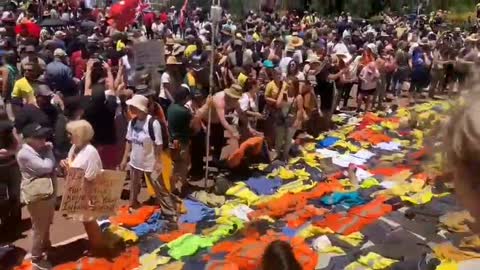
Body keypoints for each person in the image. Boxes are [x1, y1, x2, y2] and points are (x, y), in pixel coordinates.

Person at [60, 120, 105, 254]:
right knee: (86, 221)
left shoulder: (90, 152)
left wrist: (69, 170)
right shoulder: (75, 147)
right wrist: (66, 165)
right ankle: (95, 245)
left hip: (88, 193)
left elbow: (90, 176)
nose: (68, 136)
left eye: (70, 133)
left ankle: (98, 249)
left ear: (79, 134)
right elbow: (73, 165)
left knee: (89, 222)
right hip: (78, 191)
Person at [16, 123, 56, 270]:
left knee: (45, 224)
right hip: (37, 196)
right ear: (29, 139)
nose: (44, 139)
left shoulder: (37, 148)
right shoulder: (24, 154)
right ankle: (36, 259)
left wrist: (45, 150)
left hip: (45, 193)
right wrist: (49, 151)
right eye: (39, 137)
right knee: (39, 227)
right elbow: (47, 166)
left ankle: (46, 246)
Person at [120, 95, 165, 210]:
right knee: (134, 186)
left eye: (132, 106)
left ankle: (165, 208)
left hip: (151, 162)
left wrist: (159, 162)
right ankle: (133, 203)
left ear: (139, 108)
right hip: (135, 162)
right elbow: (129, 140)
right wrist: (125, 159)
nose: (130, 108)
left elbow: (159, 144)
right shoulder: (132, 123)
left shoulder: (153, 123)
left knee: (158, 186)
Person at [167, 85, 193, 194]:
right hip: (181, 142)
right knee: (181, 164)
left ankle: (181, 183)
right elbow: (193, 126)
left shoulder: (171, 107)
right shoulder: (184, 112)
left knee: (175, 163)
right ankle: (177, 187)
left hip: (172, 140)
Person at [0, 109, 21, 231]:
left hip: (12, 166)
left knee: (15, 195)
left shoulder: (9, 132)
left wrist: (7, 152)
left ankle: (15, 220)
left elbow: (17, 147)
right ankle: (4, 221)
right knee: (1, 198)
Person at [274, 78, 304, 161]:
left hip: (291, 121)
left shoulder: (298, 97)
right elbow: (278, 104)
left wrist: (297, 121)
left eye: (290, 84)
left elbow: (300, 110)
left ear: (295, 86)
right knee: (279, 139)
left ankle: (285, 156)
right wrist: (282, 89)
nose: (288, 85)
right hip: (281, 119)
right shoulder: (284, 93)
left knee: (288, 140)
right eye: (288, 83)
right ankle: (276, 155)